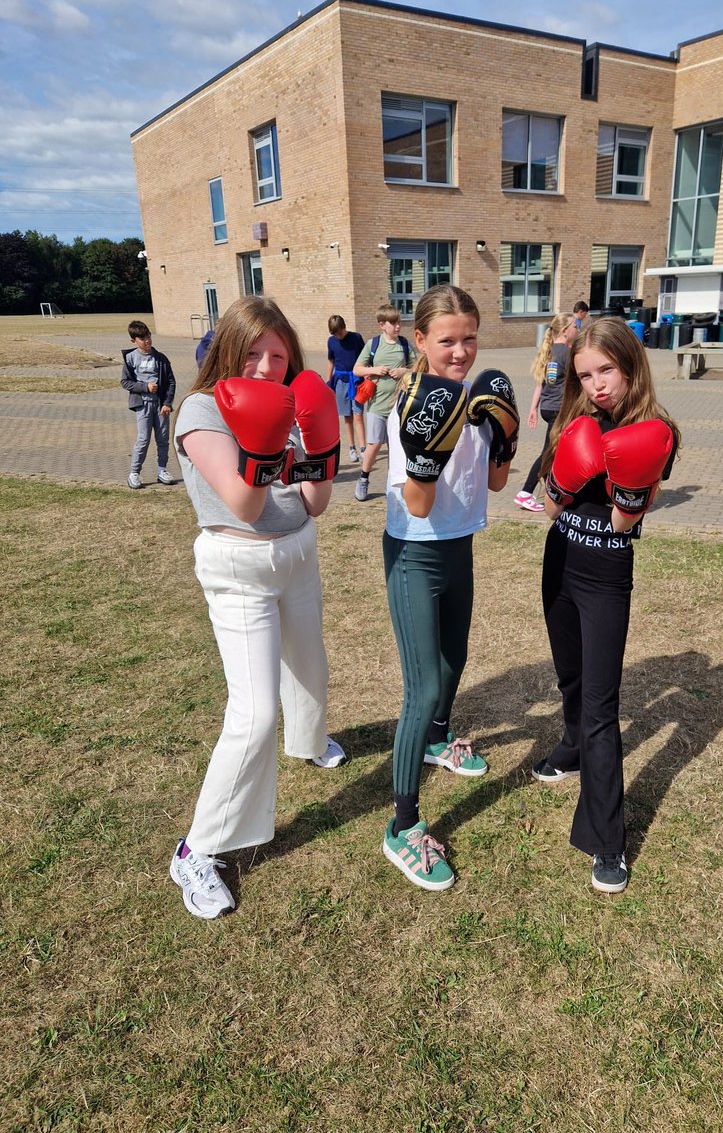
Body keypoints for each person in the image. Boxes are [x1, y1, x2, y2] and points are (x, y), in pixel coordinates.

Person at [170, 295, 346, 920]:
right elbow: (244, 506)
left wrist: (319, 446)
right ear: (228, 350)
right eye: (254, 354)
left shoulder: (293, 403)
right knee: (254, 715)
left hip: (298, 549)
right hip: (239, 565)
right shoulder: (200, 410)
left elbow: (316, 502)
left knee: (310, 666)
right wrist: (270, 441)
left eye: (279, 355)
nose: (269, 367)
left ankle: (309, 741)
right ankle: (197, 849)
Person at [534, 318, 680, 895]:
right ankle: (571, 748)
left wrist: (622, 477)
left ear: (630, 366)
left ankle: (606, 838)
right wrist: (566, 475)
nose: (596, 385)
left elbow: (623, 524)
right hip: (559, 562)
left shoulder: (657, 431)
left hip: (605, 577)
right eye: (585, 375)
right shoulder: (573, 420)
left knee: (601, 705)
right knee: (570, 677)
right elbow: (550, 509)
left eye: (606, 371)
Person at [381, 284, 518, 891]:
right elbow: (417, 503)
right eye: (447, 341)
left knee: (454, 659)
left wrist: (505, 435)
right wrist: (426, 455)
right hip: (415, 554)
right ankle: (402, 825)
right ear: (420, 340)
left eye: (469, 339)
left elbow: (495, 484)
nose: (460, 352)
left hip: (459, 547)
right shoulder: (409, 407)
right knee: (424, 685)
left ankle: (438, 740)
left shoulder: (476, 402)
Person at [514, 312, 578, 513]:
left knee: (559, 451)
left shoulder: (549, 351)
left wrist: (533, 408)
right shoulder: (567, 354)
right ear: (565, 331)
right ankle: (526, 493)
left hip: (548, 408)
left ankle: (556, 490)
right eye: (575, 326)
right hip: (560, 410)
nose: (578, 330)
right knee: (549, 452)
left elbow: (540, 385)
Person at [351, 304, 415, 501]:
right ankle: (363, 478)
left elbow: (418, 368)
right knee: (374, 444)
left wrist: (404, 371)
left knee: (397, 447)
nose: (398, 326)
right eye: (393, 323)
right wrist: (374, 369)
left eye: (399, 322)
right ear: (382, 325)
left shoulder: (404, 344)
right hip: (377, 406)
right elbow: (357, 369)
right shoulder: (374, 344)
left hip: (399, 406)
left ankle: (392, 484)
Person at [121, 319, 177, 489]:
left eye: (149, 337)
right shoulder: (130, 358)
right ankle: (134, 473)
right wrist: (145, 387)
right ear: (133, 341)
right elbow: (125, 382)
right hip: (143, 405)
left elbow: (171, 382)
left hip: (160, 406)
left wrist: (167, 403)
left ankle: (162, 470)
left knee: (163, 439)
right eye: (143, 338)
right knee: (143, 439)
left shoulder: (161, 358)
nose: (147, 341)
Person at [325, 314, 366, 463]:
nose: (338, 335)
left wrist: (368, 375)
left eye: (340, 332)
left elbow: (364, 358)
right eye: (335, 333)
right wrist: (328, 382)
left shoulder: (356, 338)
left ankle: (363, 447)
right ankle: (352, 447)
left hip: (356, 381)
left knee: (358, 415)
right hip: (340, 382)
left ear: (344, 327)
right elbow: (331, 362)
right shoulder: (331, 341)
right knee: (347, 417)